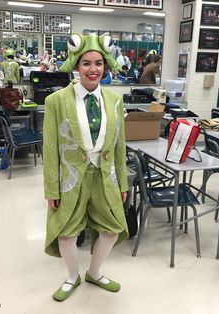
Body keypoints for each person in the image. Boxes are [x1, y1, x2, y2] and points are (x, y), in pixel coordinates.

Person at [43, 33, 129, 302]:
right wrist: (51, 189)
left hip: (105, 175)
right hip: (71, 177)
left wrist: (123, 183)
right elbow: (50, 149)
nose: (93, 70)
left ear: (106, 66)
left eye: (99, 63)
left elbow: (119, 146)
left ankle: (94, 271)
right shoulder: (56, 101)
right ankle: (72, 276)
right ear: (76, 66)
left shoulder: (115, 101)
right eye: (86, 64)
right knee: (66, 231)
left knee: (112, 227)